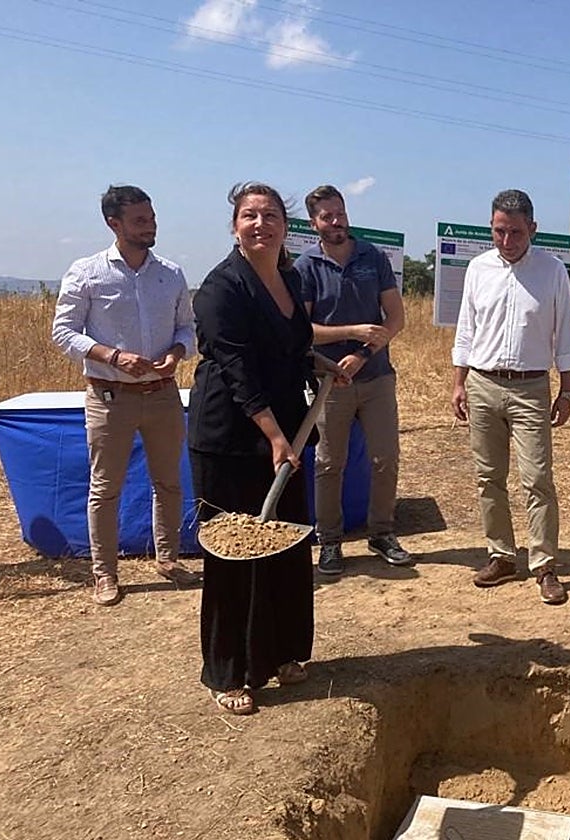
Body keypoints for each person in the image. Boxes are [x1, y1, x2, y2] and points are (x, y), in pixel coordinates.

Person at [187, 182, 333, 715]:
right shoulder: (220, 288)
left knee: (287, 544)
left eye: (270, 215)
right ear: (235, 226)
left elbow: (291, 346)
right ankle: (231, 672)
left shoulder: (290, 278)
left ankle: (283, 653)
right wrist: (272, 435)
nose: (260, 224)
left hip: (287, 434)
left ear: (285, 226)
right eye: (249, 215)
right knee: (235, 555)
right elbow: (237, 369)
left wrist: (322, 366)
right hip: (231, 437)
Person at [51, 184, 200, 607]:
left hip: (163, 394)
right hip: (108, 396)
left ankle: (168, 560)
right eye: (139, 220)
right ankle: (105, 574)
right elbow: (63, 332)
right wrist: (112, 357)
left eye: (151, 217)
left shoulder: (170, 274)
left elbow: (186, 330)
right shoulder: (87, 272)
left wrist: (175, 354)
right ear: (113, 224)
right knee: (106, 488)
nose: (150, 225)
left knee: (168, 482)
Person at [451, 189, 570, 605]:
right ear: (491, 226)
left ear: (533, 230)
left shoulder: (552, 270)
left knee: (537, 479)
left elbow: (564, 333)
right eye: (500, 231)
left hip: (531, 388)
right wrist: (458, 382)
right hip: (483, 384)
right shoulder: (478, 268)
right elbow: (466, 330)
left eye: (516, 233)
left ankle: (544, 565)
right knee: (489, 477)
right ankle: (502, 556)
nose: (507, 241)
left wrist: (568, 389)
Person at [295, 185, 413, 575]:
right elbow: (302, 331)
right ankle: (329, 540)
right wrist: (352, 332)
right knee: (330, 463)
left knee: (385, 458)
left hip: (377, 375)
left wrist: (364, 351)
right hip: (331, 382)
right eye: (327, 216)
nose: (336, 221)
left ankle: (382, 532)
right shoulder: (306, 267)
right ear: (314, 223)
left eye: (340, 213)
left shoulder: (372, 257)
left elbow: (395, 318)